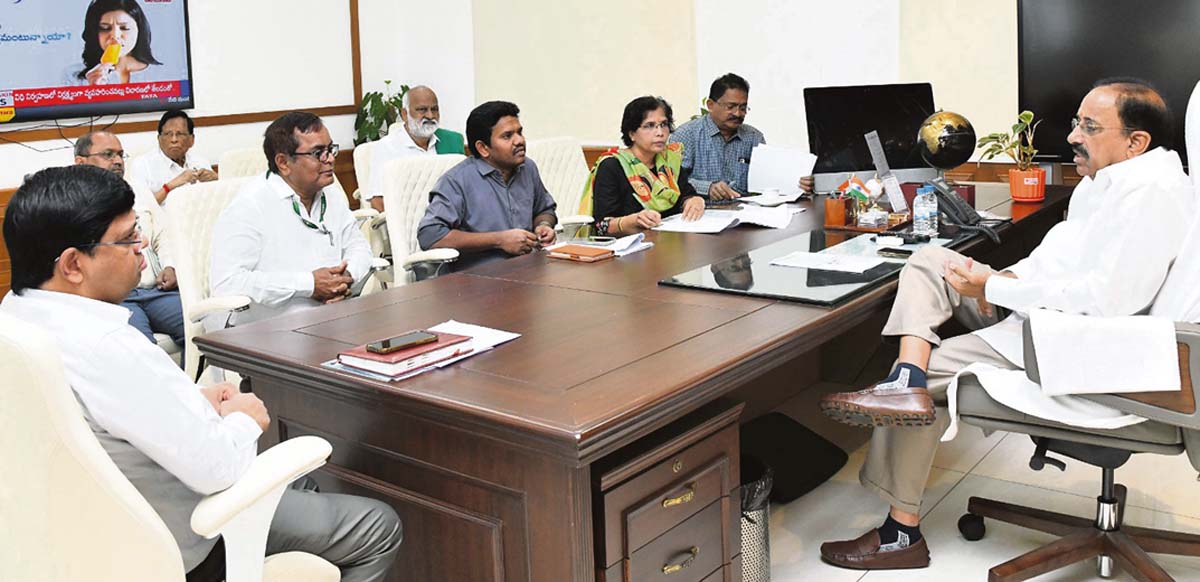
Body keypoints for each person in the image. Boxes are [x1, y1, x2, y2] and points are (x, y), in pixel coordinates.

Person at [817, 79, 1195, 571]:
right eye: (1077, 123)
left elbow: (1106, 303)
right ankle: (904, 380)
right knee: (932, 261)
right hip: (1040, 312)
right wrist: (1002, 279)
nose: (1073, 136)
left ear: (1135, 141)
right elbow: (1058, 260)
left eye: (1090, 127)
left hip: (1081, 344)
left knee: (934, 370)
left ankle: (900, 532)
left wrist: (994, 289)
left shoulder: (1154, 195)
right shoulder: (1106, 181)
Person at [1, 165, 402, 581]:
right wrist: (245, 419)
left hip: (76, 537)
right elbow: (217, 467)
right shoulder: (108, 346)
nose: (142, 247)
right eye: (128, 238)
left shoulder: (16, 316)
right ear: (72, 265)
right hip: (181, 540)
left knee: (302, 487)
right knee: (377, 525)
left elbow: (108, 414)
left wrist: (191, 403)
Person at [209, 111, 373, 326]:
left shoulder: (329, 193)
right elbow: (228, 282)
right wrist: (309, 284)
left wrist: (344, 279)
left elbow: (359, 248)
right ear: (283, 163)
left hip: (328, 316)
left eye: (330, 149)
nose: (331, 159)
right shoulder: (249, 206)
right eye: (318, 153)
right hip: (264, 325)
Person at [74, 130, 185, 355]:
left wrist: (170, 265)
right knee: (139, 352)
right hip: (115, 298)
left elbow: (163, 234)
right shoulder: (71, 201)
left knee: (206, 331)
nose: (117, 161)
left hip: (157, 290)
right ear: (80, 162)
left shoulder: (137, 188)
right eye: (108, 154)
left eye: (120, 154)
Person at [417, 100, 558, 271]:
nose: (519, 140)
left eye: (519, 132)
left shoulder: (528, 168)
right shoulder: (457, 181)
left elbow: (544, 209)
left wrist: (544, 225)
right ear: (483, 148)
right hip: (477, 278)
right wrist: (499, 240)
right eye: (507, 136)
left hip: (528, 270)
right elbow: (430, 235)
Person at [670, 73, 814, 200]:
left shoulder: (753, 137)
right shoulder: (686, 135)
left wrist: (799, 185)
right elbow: (671, 180)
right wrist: (707, 188)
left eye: (743, 108)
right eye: (730, 107)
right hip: (701, 213)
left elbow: (767, 181)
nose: (738, 113)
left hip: (746, 212)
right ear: (710, 105)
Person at [580, 96, 704, 236]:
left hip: (670, 240)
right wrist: (632, 221)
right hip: (630, 244)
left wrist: (695, 200)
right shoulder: (612, 166)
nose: (660, 133)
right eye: (649, 126)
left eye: (664, 124)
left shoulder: (668, 162)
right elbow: (602, 226)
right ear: (632, 134)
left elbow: (686, 194)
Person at [362, 85, 466, 212]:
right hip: (407, 219)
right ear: (405, 114)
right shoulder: (387, 147)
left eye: (434, 109)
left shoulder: (451, 141)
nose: (430, 116)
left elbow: (465, 189)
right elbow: (378, 201)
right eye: (422, 110)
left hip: (451, 216)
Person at [70, 0, 169, 86]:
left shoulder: (163, 74)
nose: (115, 35)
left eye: (125, 28)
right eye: (105, 28)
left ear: (139, 30)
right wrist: (92, 90)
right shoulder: (72, 75)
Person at [129, 110, 218, 205]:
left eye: (180, 134)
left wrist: (216, 179)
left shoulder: (201, 162)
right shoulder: (142, 165)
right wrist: (170, 186)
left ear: (191, 140)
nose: (174, 140)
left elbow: (217, 199)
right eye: (168, 134)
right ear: (159, 139)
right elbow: (141, 206)